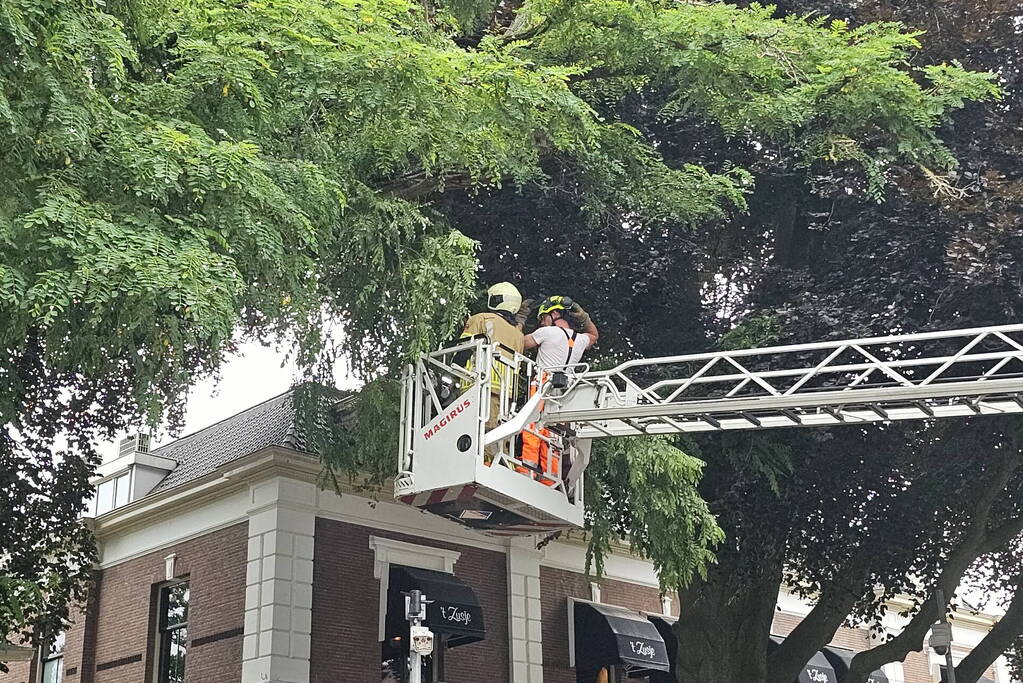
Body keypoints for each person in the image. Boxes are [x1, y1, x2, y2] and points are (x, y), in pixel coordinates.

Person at [519, 295, 599, 485]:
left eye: (543, 318)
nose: (541, 322)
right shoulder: (579, 340)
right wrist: (584, 317)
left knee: (532, 427)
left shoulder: (547, 332)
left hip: (542, 385)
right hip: (565, 392)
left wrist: (520, 320)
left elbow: (519, 343)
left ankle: (526, 473)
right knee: (553, 435)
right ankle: (550, 479)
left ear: (553, 314)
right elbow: (594, 335)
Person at [458, 282, 531, 459]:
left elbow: (461, 351)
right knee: (500, 439)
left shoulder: (481, 319)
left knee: (478, 435)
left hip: (478, 386)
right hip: (506, 396)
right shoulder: (518, 336)